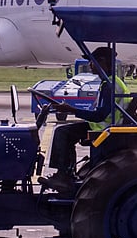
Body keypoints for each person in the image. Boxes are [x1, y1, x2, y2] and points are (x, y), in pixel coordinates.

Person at [44, 47, 130, 192]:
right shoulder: (112, 82)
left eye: (92, 61)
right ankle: (65, 173)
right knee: (67, 132)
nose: (90, 65)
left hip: (104, 129)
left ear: (102, 62)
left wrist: (71, 110)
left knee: (63, 132)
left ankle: (63, 176)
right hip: (105, 125)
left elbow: (99, 115)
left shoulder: (110, 86)